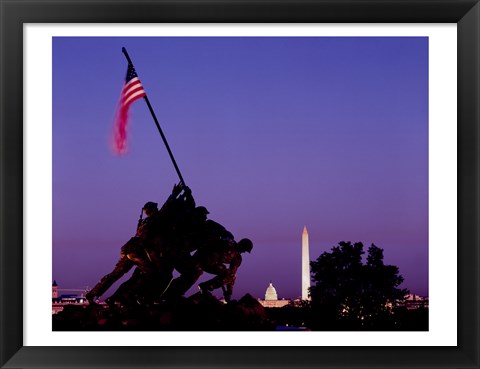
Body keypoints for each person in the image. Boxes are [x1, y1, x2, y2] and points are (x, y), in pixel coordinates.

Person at [85, 201, 159, 304]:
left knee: (115, 274)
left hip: (128, 251)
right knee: (151, 272)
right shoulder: (154, 220)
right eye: (156, 208)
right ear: (153, 210)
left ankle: (91, 294)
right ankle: (129, 295)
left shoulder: (143, 222)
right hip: (138, 252)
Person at [195, 238, 253, 302]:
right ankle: (205, 287)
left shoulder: (236, 257)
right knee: (230, 274)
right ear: (242, 245)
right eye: (244, 249)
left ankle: (205, 287)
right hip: (203, 259)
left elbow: (232, 273)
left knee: (229, 274)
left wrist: (229, 292)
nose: (244, 252)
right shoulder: (228, 243)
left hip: (206, 261)